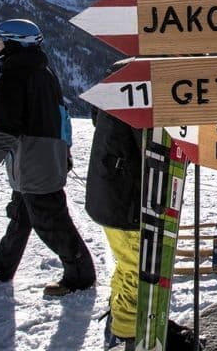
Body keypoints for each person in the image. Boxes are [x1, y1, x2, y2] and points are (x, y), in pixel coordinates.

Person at [0, 18, 95, 297]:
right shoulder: (43, 72)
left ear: (13, 44)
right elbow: (63, 118)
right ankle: (2, 265)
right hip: (41, 159)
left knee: (51, 222)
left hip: (35, 163)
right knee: (21, 216)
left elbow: (4, 134)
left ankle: (80, 275)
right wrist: (64, 152)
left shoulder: (13, 79)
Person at [85, 59, 143, 350]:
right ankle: (125, 335)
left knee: (127, 264)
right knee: (137, 266)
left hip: (111, 195)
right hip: (126, 202)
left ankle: (118, 324)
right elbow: (153, 146)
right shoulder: (141, 86)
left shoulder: (120, 84)